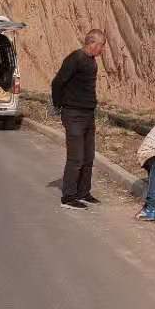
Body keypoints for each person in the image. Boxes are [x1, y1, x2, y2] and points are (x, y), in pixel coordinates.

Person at [51, 29, 107, 210]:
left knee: (88, 156)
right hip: (73, 114)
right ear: (94, 43)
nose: (102, 50)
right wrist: (58, 105)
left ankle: (83, 192)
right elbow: (57, 82)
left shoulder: (91, 62)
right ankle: (68, 197)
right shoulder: (75, 58)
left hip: (88, 114)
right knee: (76, 157)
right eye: (102, 46)